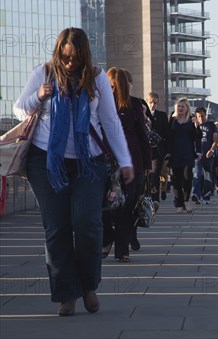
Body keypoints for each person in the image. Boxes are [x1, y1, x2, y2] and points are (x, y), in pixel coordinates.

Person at [14, 27, 134, 316]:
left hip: (88, 163)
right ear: (58, 53)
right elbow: (19, 108)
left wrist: (125, 159)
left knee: (88, 225)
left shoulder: (96, 78)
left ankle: (88, 285)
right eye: (65, 58)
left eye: (75, 59)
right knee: (56, 229)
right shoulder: (42, 73)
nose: (69, 64)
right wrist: (38, 97)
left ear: (84, 56)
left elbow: (109, 120)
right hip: (46, 162)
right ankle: (66, 294)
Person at [102, 67, 151, 261]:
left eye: (114, 86)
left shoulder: (135, 104)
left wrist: (147, 163)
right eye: (109, 86)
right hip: (105, 162)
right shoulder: (100, 104)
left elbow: (143, 135)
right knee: (103, 205)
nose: (112, 90)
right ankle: (107, 237)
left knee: (125, 207)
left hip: (132, 163)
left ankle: (122, 250)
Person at [166, 98, 196, 213]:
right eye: (179, 106)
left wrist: (196, 126)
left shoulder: (191, 120)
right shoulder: (172, 119)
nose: (180, 108)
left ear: (187, 108)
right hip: (175, 153)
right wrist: (168, 152)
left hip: (188, 153)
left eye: (183, 106)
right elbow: (168, 136)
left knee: (188, 177)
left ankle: (186, 201)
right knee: (176, 180)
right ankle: (179, 203)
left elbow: (196, 137)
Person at [191, 107, 218, 205]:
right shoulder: (194, 125)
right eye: (199, 116)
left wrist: (212, 150)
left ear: (205, 115)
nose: (201, 118)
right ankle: (196, 195)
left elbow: (215, 140)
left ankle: (206, 195)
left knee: (207, 175)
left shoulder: (211, 125)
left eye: (202, 116)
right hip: (197, 155)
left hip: (208, 155)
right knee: (197, 174)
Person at [146, 92, 169, 202]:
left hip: (157, 150)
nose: (152, 105)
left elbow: (166, 134)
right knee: (147, 177)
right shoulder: (143, 114)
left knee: (155, 175)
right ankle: (147, 198)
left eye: (154, 102)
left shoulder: (162, 115)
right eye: (150, 102)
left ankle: (155, 200)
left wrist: (168, 151)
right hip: (145, 151)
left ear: (157, 102)